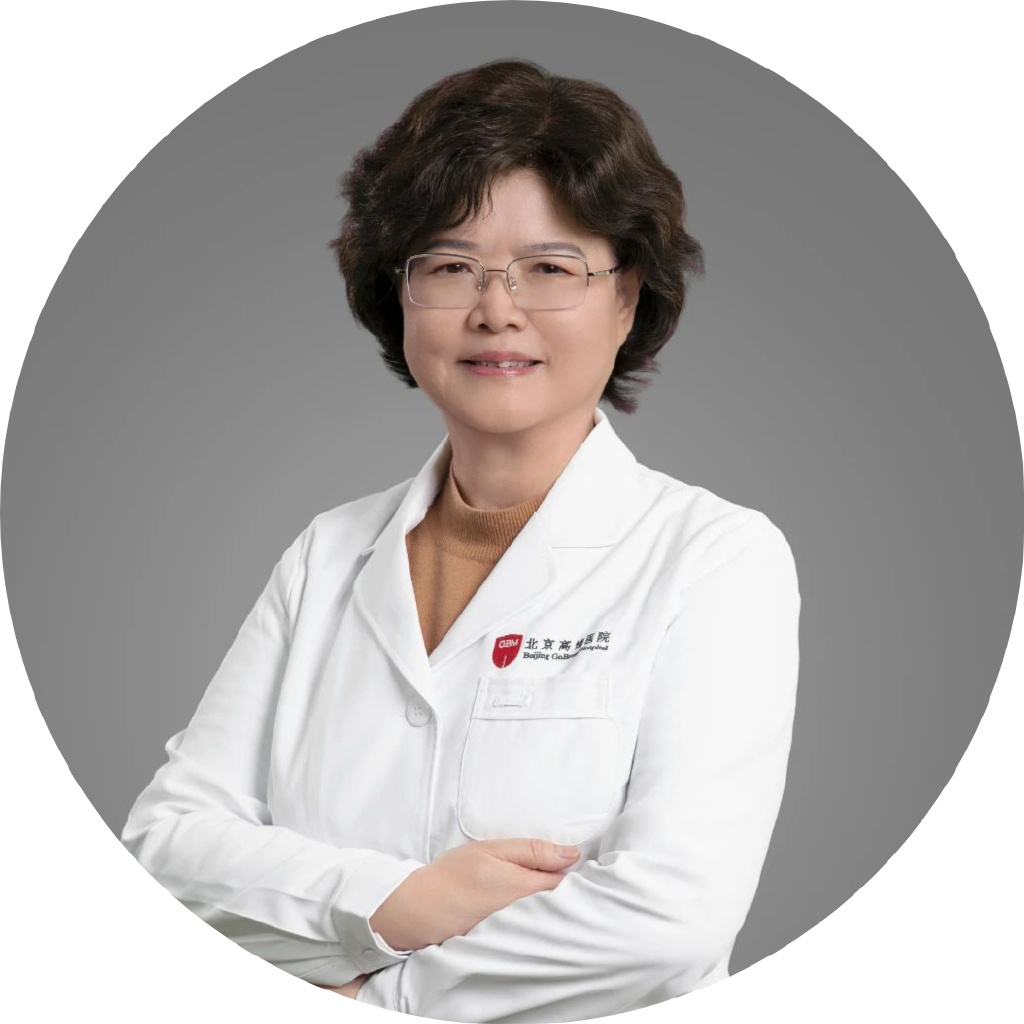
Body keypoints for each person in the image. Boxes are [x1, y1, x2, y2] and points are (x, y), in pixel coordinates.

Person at [120, 58, 801, 1023]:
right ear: (398, 297)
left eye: (551, 268)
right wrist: (399, 904)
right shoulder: (327, 555)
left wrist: (374, 992)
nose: (496, 309)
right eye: (448, 267)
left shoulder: (716, 558)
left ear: (626, 298)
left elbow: (668, 922)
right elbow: (163, 852)